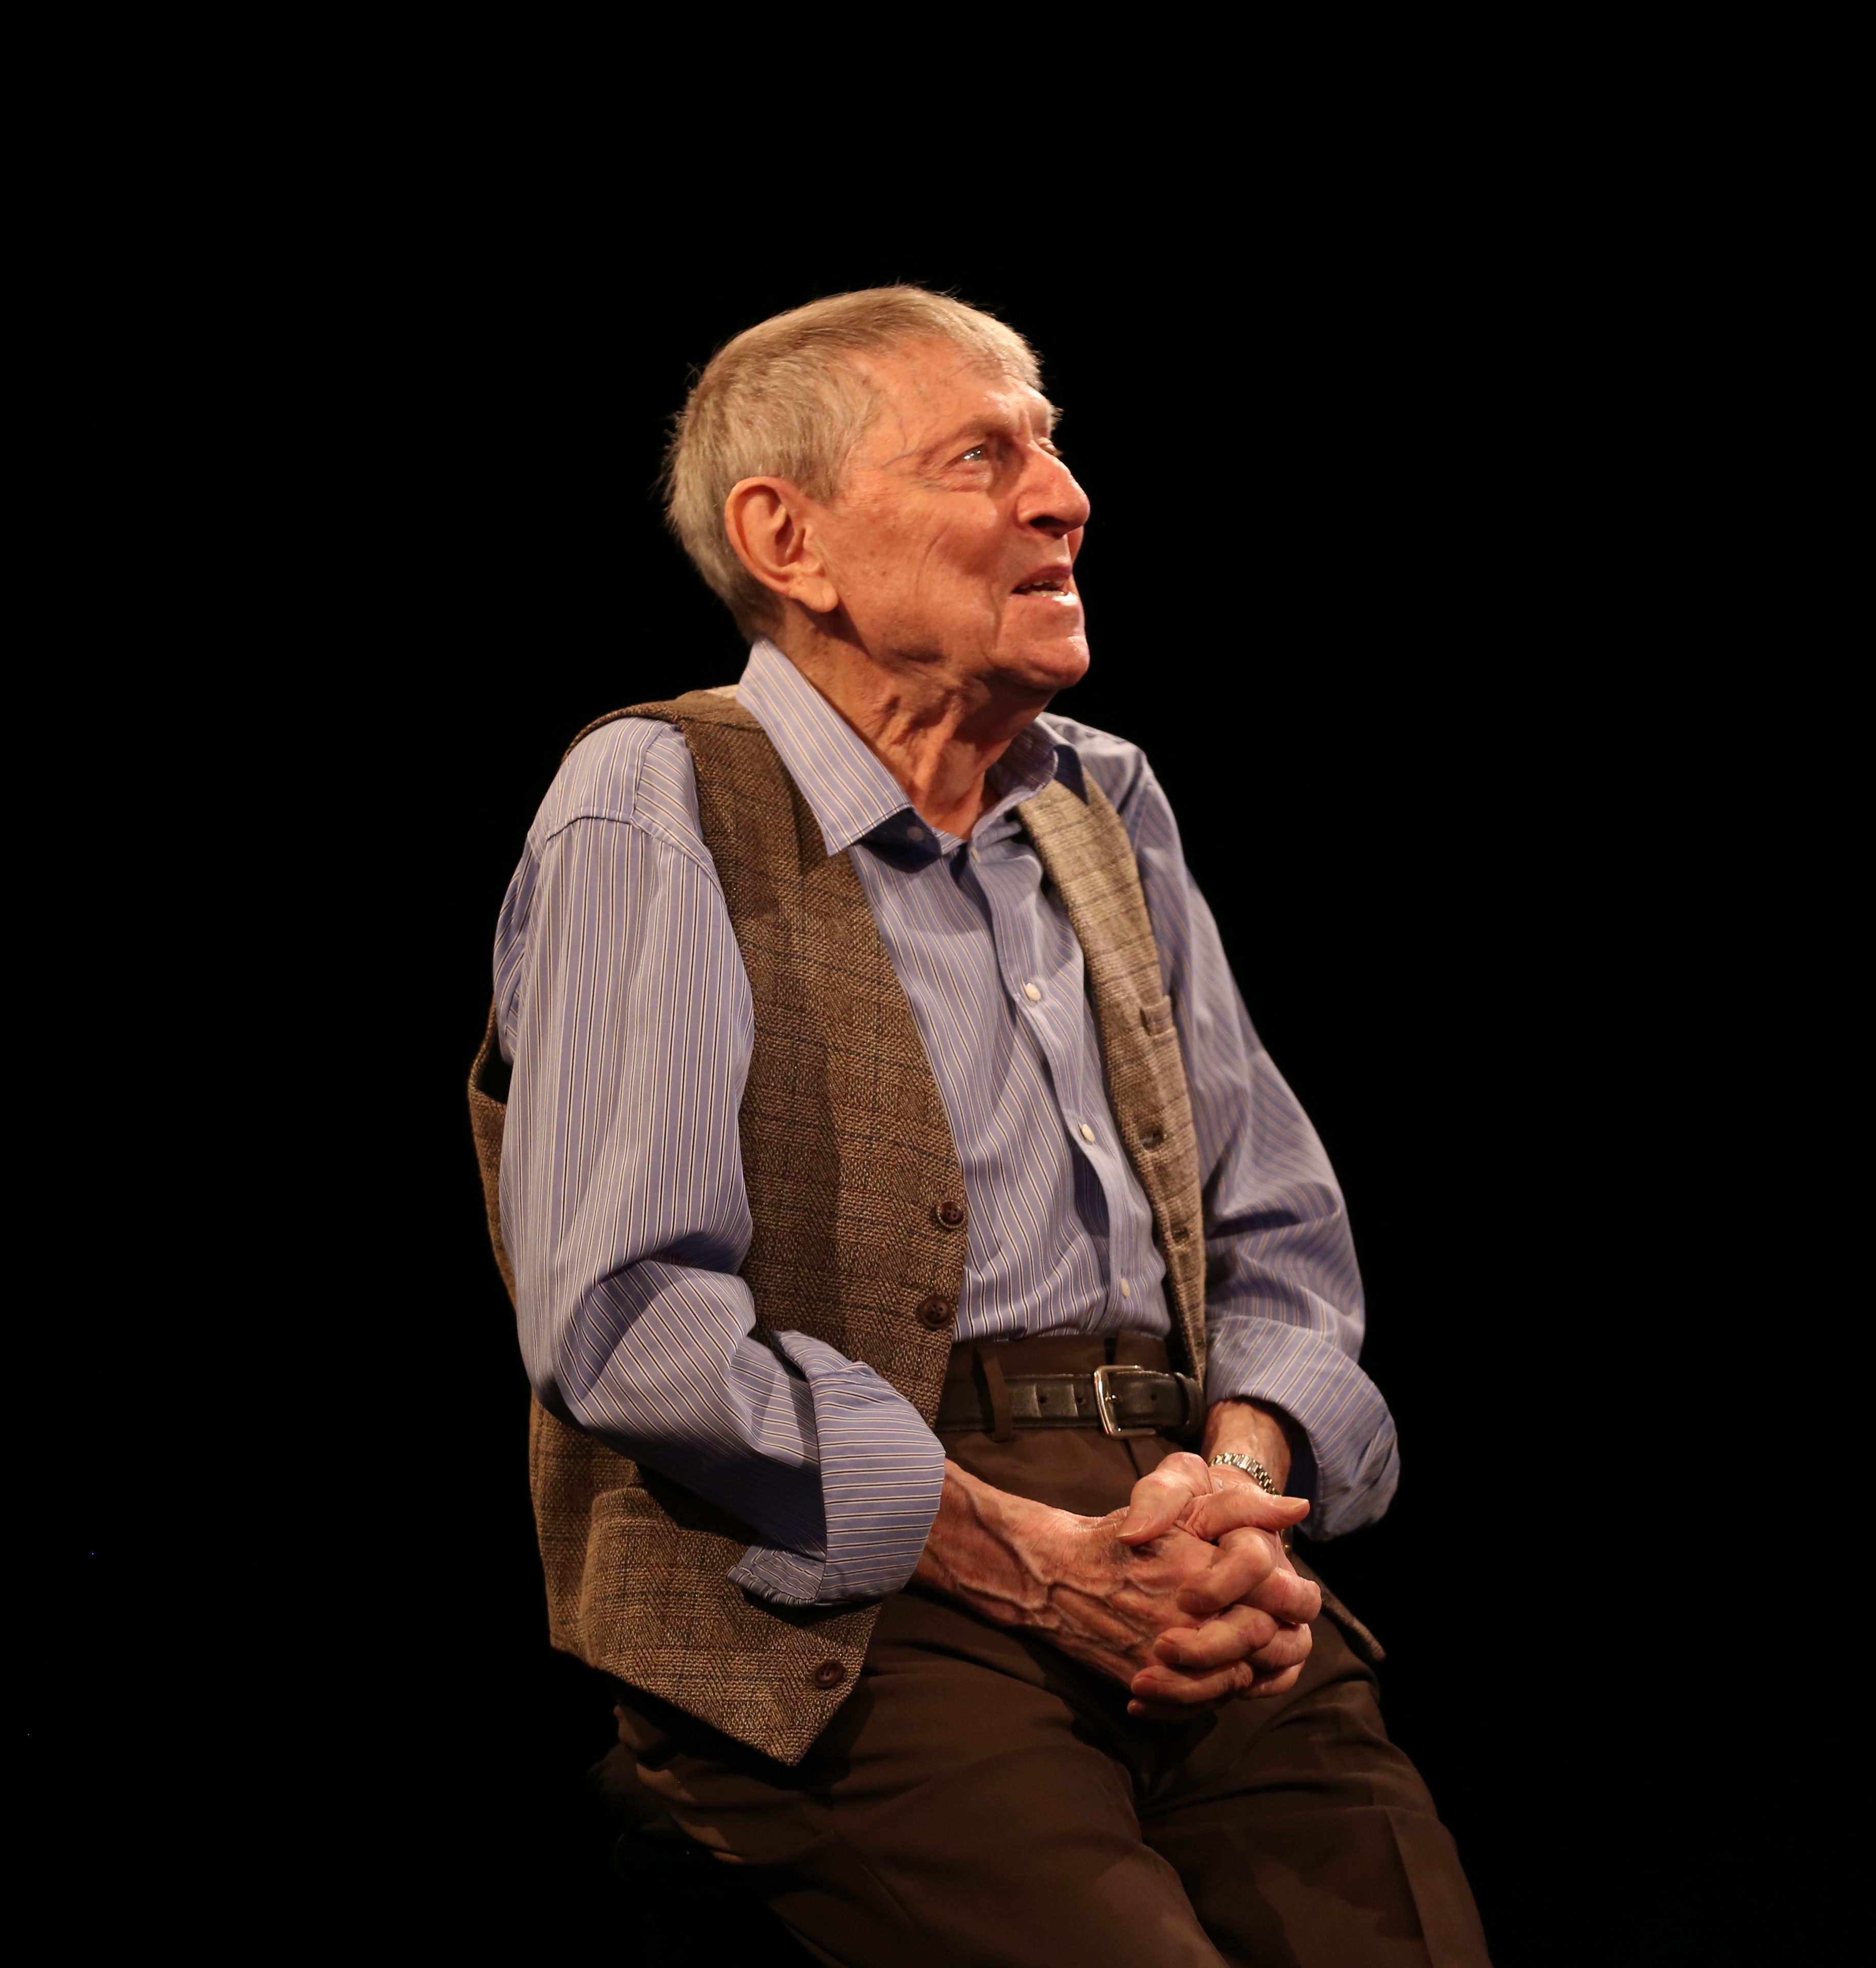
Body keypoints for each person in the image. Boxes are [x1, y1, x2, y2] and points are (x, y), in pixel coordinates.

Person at [466, 286, 1488, 1967]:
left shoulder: (1103, 799)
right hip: (849, 1586)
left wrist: (1233, 1494)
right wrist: (1026, 1554)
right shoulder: (661, 796)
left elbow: (1280, 1241)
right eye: (979, 457)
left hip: (1181, 1528)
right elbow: (628, 1316)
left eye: (1052, 447)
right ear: (789, 540)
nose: (1062, 497)